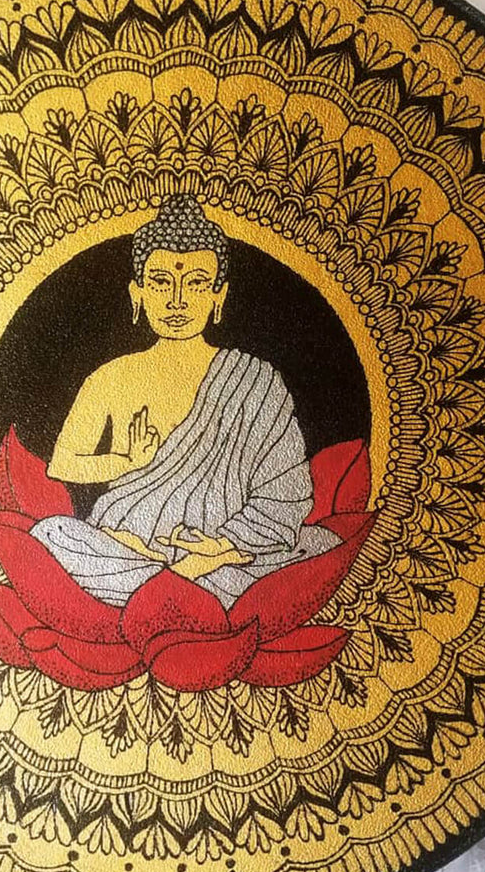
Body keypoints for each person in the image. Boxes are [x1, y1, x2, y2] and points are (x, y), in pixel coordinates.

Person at [29, 195, 341, 608]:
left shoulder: (255, 378)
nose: (177, 299)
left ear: (218, 295)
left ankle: (169, 580)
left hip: (223, 548)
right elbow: (64, 465)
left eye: (195, 283)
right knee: (52, 534)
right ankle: (176, 581)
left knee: (321, 545)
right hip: (125, 539)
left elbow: (286, 491)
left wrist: (225, 545)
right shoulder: (111, 376)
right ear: (138, 293)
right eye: (161, 281)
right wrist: (128, 460)